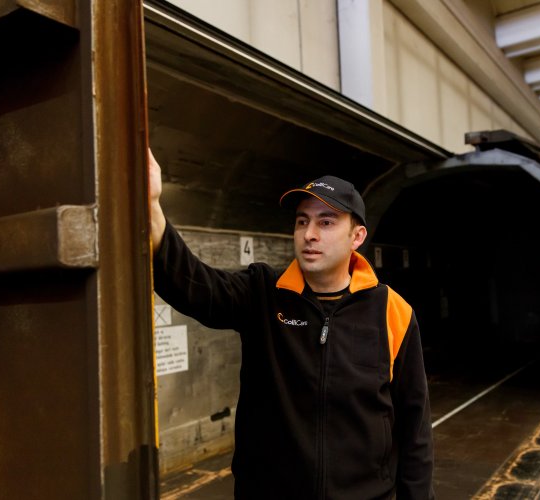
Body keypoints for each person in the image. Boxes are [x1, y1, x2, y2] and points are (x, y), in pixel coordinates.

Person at [148, 150, 434, 499]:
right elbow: (194, 287)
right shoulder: (264, 293)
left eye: (326, 222)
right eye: (302, 221)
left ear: (357, 237)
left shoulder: (392, 311)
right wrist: (152, 207)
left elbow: (414, 426)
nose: (309, 234)